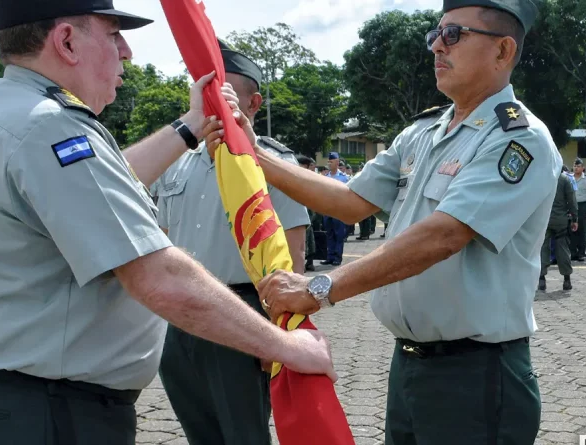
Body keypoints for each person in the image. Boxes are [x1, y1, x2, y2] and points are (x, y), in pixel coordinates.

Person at [0, 3, 335, 444]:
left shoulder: (6, 109)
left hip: (8, 402)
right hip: (46, 413)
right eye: (114, 34)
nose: (128, 51)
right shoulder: (50, 127)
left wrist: (191, 125)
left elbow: (108, 186)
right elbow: (157, 276)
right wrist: (286, 347)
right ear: (65, 41)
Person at [205, 0, 557, 443]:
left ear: (503, 51)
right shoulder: (424, 132)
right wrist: (254, 154)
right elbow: (351, 200)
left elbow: (444, 235)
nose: (436, 47)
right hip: (410, 366)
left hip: (475, 375)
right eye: (435, 34)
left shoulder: (518, 138)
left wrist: (321, 288)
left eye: (454, 35)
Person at [152, 41, 312, 445]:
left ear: (253, 102)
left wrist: (278, 335)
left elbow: (292, 256)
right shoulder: (176, 162)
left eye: (222, 92)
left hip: (242, 313)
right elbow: (165, 241)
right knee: (199, 430)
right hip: (181, 319)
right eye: (204, 92)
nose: (211, 103)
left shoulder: (273, 166)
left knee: (244, 434)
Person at [539, 170, 578, 291]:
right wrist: (574, 219)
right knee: (562, 249)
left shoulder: (543, 177)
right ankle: (567, 279)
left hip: (545, 219)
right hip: (561, 220)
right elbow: (571, 201)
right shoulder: (565, 180)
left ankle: (541, 279)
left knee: (543, 249)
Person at [322, 152, 350, 265]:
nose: (329, 164)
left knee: (339, 234)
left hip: (339, 210)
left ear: (337, 162)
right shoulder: (325, 177)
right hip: (328, 210)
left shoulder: (344, 178)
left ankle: (338, 257)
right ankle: (330, 257)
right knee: (329, 234)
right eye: (328, 161)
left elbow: (348, 194)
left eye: (331, 161)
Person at [296, 155, 319, 271]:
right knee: (304, 239)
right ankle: (304, 263)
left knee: (309, 239)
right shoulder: (299, 176)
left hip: (309, 211)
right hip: (301, 211)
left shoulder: (308, 177)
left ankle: (309, 262)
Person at [571, 158, 586, 262]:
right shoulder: (569, 178)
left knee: (582, 230)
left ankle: (581, 252)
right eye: (575, 166)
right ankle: (573, 252)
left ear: (583, 168)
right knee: (572, 229)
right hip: (572, 206)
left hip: (582, 206)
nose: (576, 168)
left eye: (578, 166)